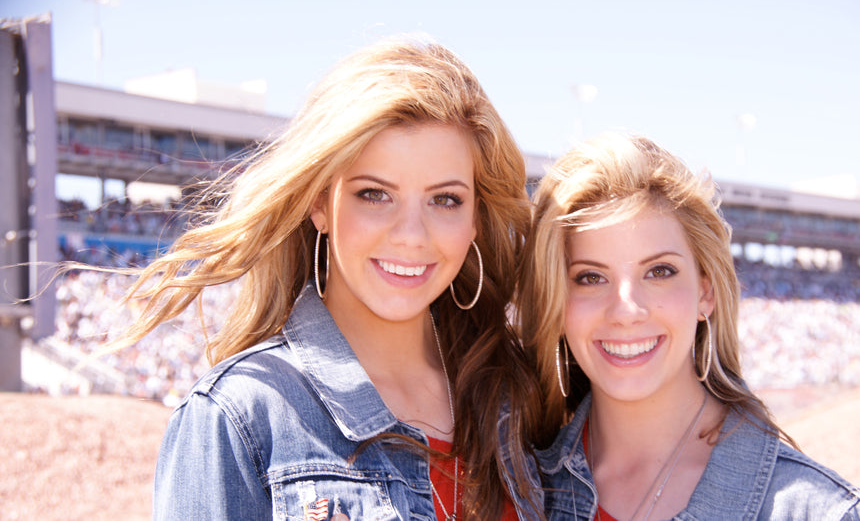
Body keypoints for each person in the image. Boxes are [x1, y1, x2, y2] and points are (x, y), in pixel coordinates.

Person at [112, 36, 543, 520]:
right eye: (374, 194)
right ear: (319, 202)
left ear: (476, 219)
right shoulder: (237, 417)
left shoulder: (517, 395)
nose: (411, 236)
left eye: (445, 200)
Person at [518, 134, 860, 520]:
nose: (626, 310)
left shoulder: (822, 512)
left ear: (706, 292)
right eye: (589, 277)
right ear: (556, 300)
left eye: (659, 271)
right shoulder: (517, 492)